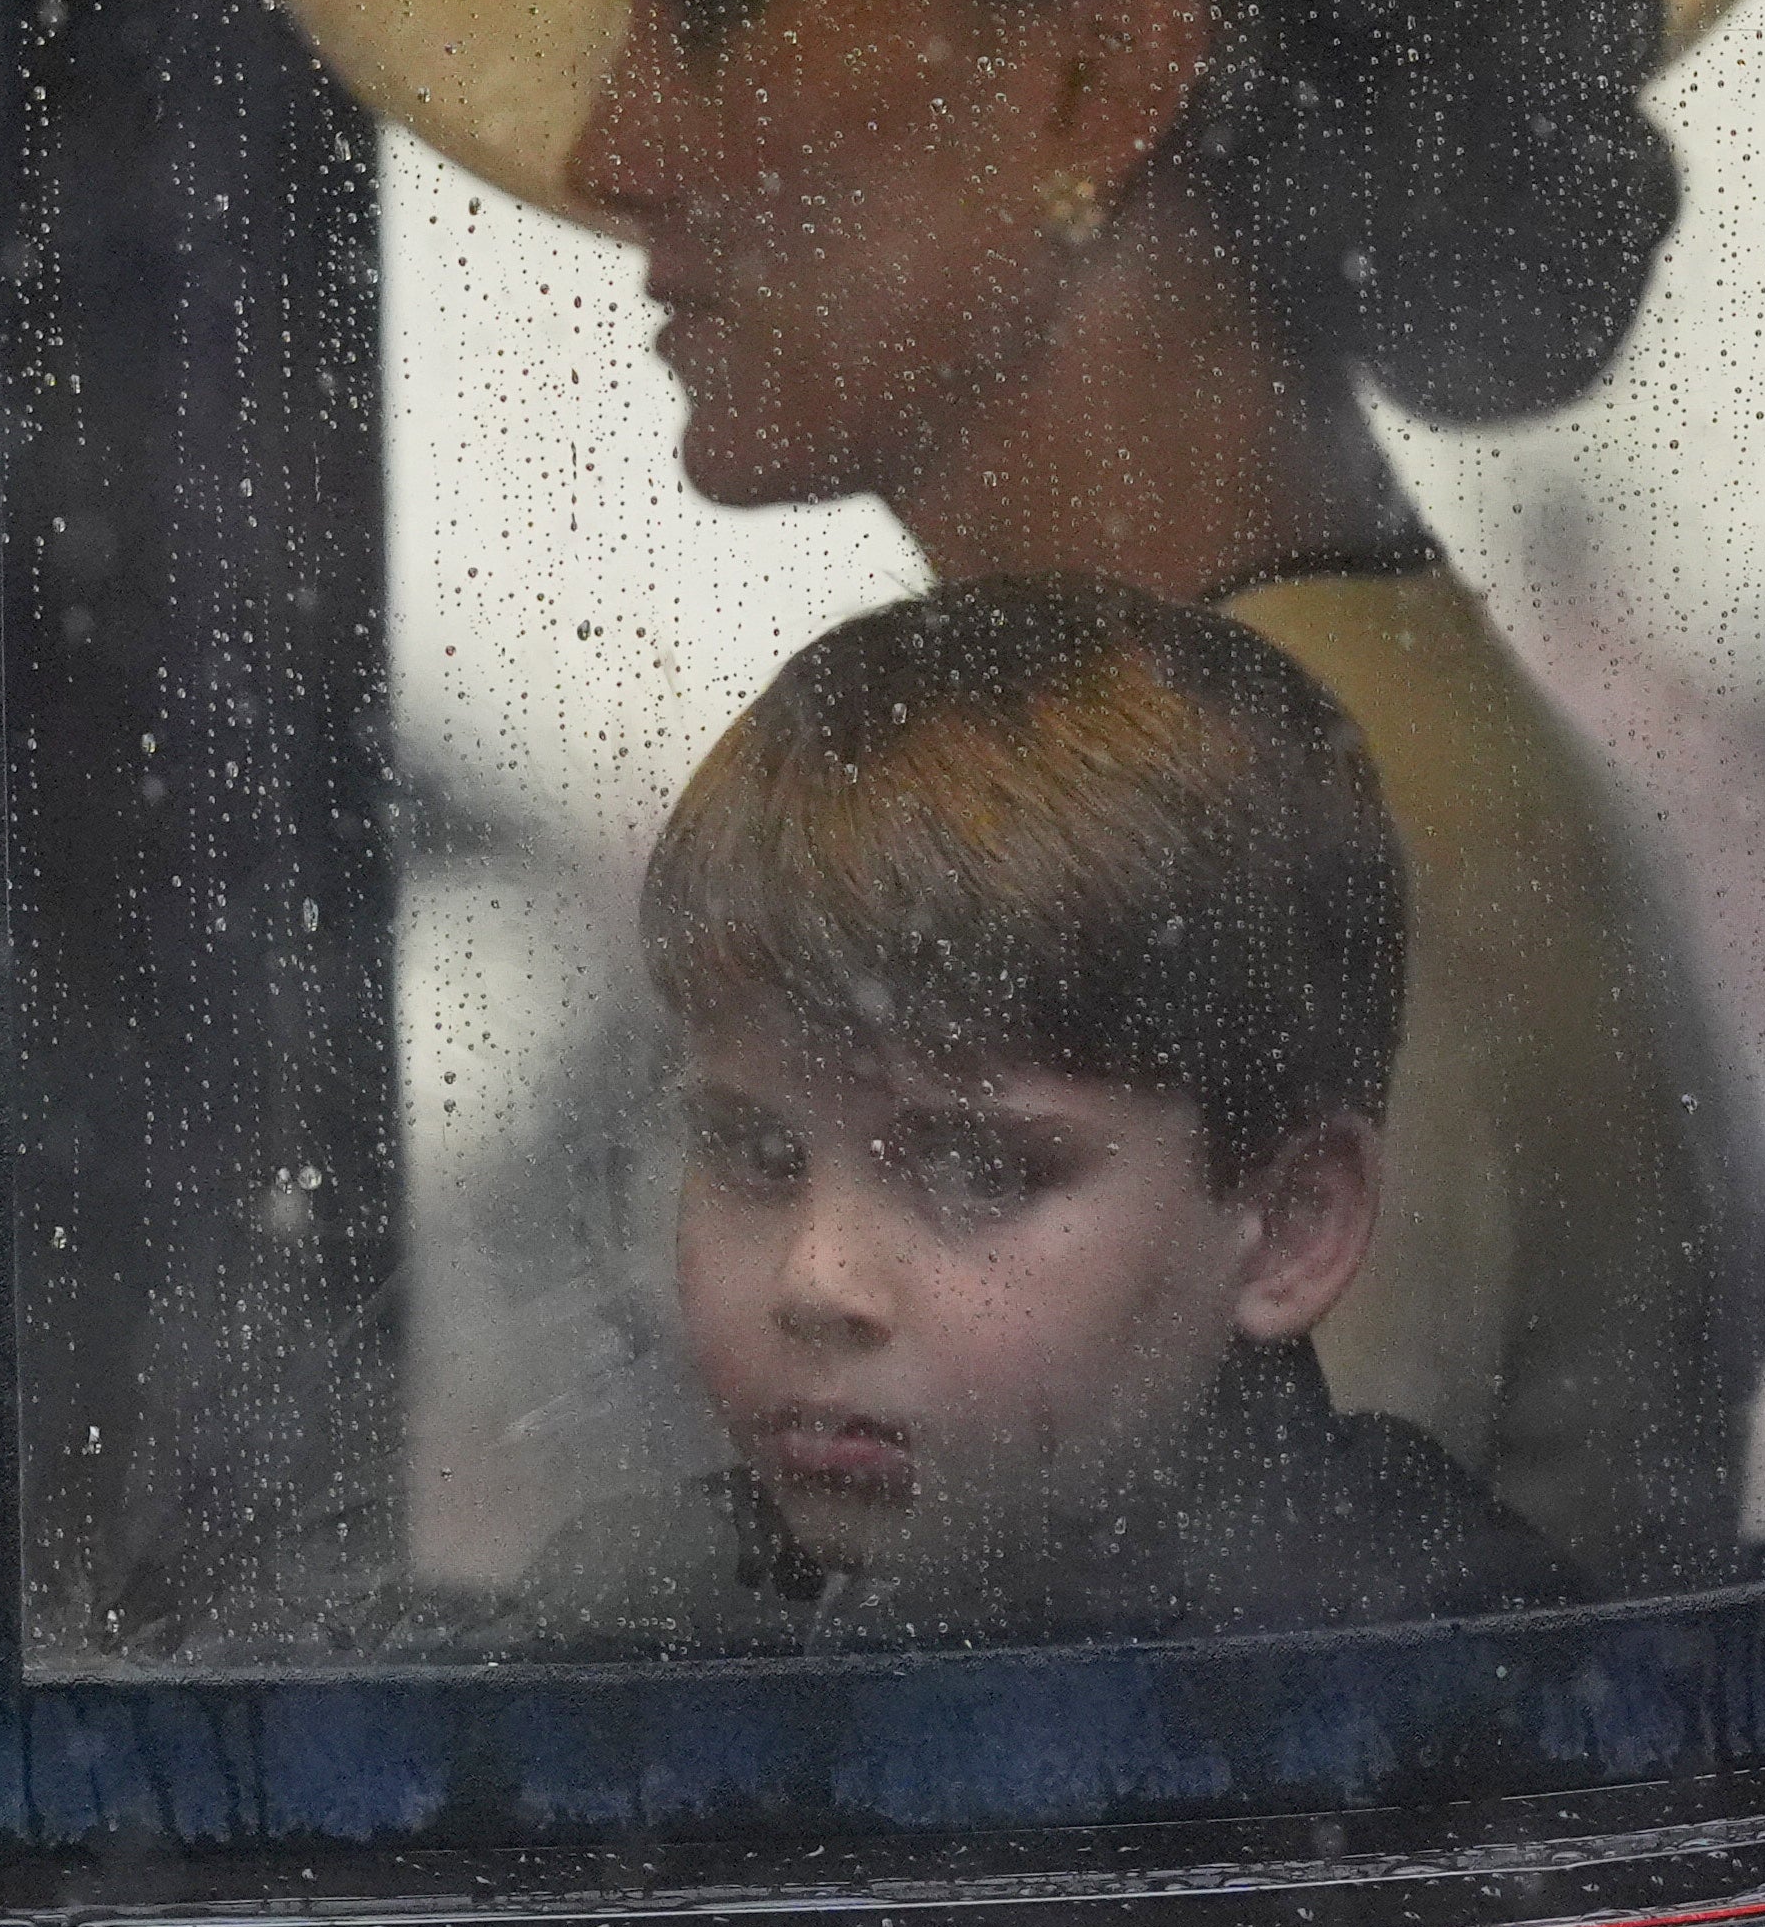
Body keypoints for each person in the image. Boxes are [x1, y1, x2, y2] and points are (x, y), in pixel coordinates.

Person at [548, 0, 1765, 1592]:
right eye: (759, 1153)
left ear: (1097, 74)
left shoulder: (1334, 822)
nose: (608, 148)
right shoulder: (1330, 744)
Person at [510, 575, 1580, 1652]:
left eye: (977, 1171)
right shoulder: (656, 1623)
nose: (815, 1282)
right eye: (753, 1150)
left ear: (1288, 1226)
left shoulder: (1425, 1666)